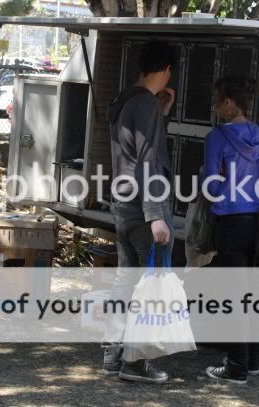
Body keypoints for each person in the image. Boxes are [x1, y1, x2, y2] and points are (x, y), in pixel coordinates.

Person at [102, 40, 176, 384]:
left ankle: (113, 355)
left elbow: (132, 149)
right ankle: (136, 362)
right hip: (145, 206)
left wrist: (160, 114)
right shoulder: (144, 104)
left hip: (122, 203)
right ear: (166, 70)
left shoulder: (125, 99)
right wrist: (155, 213)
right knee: (153, 284)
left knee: (126, 279)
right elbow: (147, 160)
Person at [202, 75, 259, 384]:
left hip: (231, 223)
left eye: (217, 100)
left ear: (229, 102)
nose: (215, 107)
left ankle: (236, 367)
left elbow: (212, 184)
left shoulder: (217, 137)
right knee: (254, 290)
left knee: (233, 294)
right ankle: (254, 360)